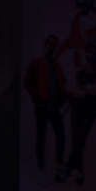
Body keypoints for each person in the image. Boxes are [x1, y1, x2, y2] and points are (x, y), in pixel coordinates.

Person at [62, 43, 96, 185]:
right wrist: (85, 91)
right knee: (77, 141)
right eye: (89, 52)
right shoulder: (77, 71)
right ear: (85, 54)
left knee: (80, 139)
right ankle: (79, 172)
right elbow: (70, 89)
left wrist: (83, 89)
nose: (91, 55)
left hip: (90, 111)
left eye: (94, 53)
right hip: (76, 110)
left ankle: (68, 167)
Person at [25, 34, 67, 173]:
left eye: (54, 45)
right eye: (50, 44)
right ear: (45, 45)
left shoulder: (57, 65)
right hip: (42, 106)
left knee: (60, 136)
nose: (52, 47)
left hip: (53, 106)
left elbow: (60, 84)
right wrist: (37, 95)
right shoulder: (37, 62)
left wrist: (62, 98)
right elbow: (27, 82)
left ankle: (58, 163)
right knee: (41, 137)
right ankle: (41, 167)